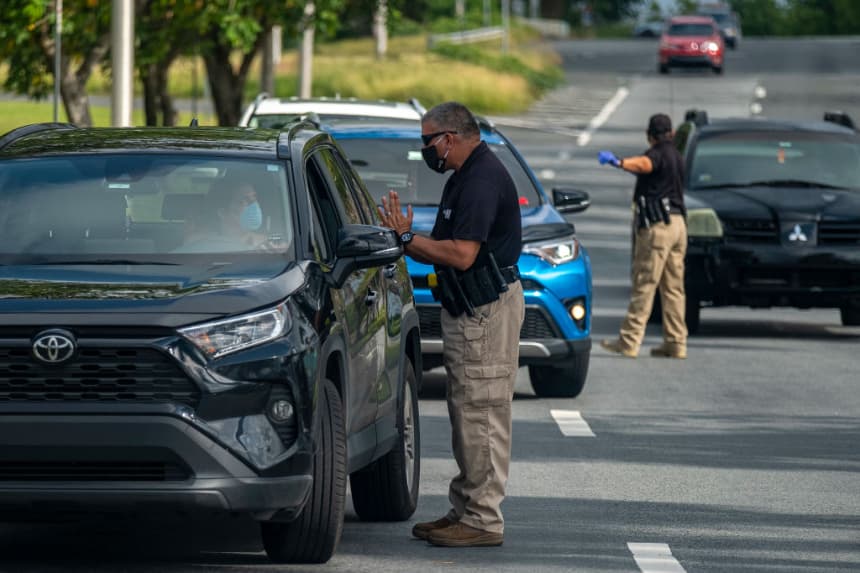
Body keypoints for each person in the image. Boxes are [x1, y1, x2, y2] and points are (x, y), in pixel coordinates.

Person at [377, 102, 525, 548]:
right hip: (470, 309)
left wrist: (406, 240)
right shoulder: (465, 176)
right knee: (467, 411)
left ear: (451, 137)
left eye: (428, 141)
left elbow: (462, 254)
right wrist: (413, 241)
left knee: (481, 411)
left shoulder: (480, 179)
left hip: (486, 310)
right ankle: (465, 508)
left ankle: (482, 519)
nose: (426, 150)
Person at [597, 113, 688, 359]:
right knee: (674, 289)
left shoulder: (658, 154)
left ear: (650, 136)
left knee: (644, 284)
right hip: (679, 225)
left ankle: (629, 341)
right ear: (670, 133)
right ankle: (676, 341)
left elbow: (645, 165)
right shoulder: (678, 157)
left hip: (658, 227)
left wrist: (617, 162)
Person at [174, 179, 278, 253]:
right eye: (244, 200)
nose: (254, 204)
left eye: (254, 197)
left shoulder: (267, 244)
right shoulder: (200, 243)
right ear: (222, 213)